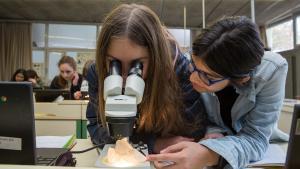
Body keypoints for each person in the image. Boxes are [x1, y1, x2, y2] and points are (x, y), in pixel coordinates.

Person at [147, 16, 288, 169]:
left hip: (263, 153)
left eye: (208, 76)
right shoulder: (191, 64)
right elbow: (201, 118)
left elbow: (256, 137)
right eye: (193, 65)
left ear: (241, 79)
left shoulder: (272, 70)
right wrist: (213, 132)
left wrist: (209, 153)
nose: (193, 78)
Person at [86, 4, 207, 153]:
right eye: (114, 63)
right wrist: (153, 143)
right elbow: (95, 127)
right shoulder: (97, 72)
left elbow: (192, 134)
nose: (124, 77)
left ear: (156, 59)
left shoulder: (181, 71)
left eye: (137, 65)